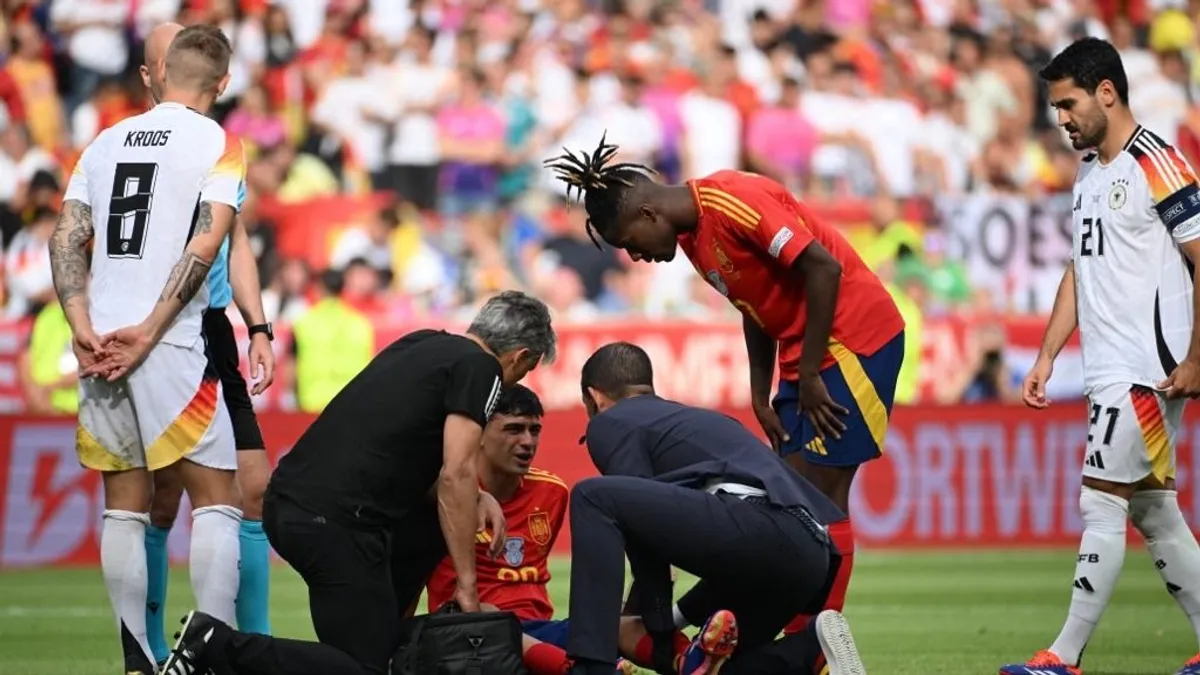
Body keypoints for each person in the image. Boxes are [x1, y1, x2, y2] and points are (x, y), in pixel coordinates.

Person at [546, 135, 906, 634]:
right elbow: (753, 305)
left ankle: (813, 642)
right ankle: (777, 636)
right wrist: (761, 391)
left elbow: (822, 267)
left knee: (818, 499)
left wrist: (807, 372)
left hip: (854, 341)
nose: (637, 257)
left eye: (631, 243)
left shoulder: (732, 200)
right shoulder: (694, 238)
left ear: (649, 214)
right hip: (804, 353)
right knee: (782, 502)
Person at [160, 291, 557, 675]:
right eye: (526, 370)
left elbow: (404, 450)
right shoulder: (481, 367)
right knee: (364, 669)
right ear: (520, 355)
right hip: (336, 522)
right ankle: (213, 644)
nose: (518, 381)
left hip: (301, 505)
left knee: (371, 656)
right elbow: (457, 473)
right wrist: (468, 589)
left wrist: (478, 494)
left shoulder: (422, 342)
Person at [48, 25, 244, 675]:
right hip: (168, 345)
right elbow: (208, 242)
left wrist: (79, 320)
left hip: (99, 342)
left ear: (160, 75)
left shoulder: (104, 142)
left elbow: (65, 236)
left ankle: (136, 659)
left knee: (123, 506)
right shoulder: (218, 141)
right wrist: (154, 328)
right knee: (217, 499)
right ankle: (212, 657)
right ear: (220, 83)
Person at [1001, 37, 1200, 675]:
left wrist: (1196, 359)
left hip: (1145, 371)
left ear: (1106, 93)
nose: (1060, 118)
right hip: (1108, 368)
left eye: (1068, 103)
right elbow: (1078, 270)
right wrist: (1046, 356)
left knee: (1101, 502)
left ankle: (1063, 656)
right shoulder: (1092, 170)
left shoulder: (1159, 164)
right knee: (1153, 509)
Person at [565, 341, 867, 675]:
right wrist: (676, 619)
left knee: (591, 496)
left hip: (760, 525)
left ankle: (592, 666)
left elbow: (640, 529)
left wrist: (657, 625)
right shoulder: (698, 420)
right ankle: (809, 652)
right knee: (720, 668)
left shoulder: (611, 421)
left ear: (595, 397)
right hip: (811, 554)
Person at [135, 23, 278, 666]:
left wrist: (258, 326)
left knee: (254, 486)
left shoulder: (222, 147)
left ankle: (249, 648)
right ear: (152, 74)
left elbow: (235, 238)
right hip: (158, 330)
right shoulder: (123, 152)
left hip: (212, 324)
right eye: (168, 58)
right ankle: (147, 648)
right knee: (162, 498)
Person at [424, 384, 640, 675]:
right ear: (479, 436)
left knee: (618, 626)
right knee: (490, 617)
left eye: (534, 430)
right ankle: (573, 669)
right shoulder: (445, 495)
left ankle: (690, 656)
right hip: (469, 636)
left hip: (539, 630)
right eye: (513, 429)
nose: (527, 441)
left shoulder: (553, 492)